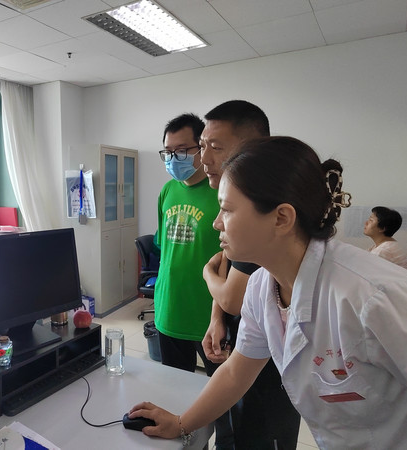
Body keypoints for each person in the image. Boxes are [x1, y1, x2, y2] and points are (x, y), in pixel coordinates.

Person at [130, 136, 407, 449]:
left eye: (226, 210)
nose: (216, 223)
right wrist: (181, 423)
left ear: (281, 218)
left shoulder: (376, 297)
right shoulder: (261, 287)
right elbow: (237, 372)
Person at [200, 100, 300, 449]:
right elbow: (229, 272)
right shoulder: (259, 282)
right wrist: (217, 318)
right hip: (246, 347)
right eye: (202, 146)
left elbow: (231, 293)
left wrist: (206, 273)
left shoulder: (361, 296)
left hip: (271, 375)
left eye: (216, 147)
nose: (204, 158)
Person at [153, 113, 232, 448]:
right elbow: (165, 250)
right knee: (175, 396)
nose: (174, 158)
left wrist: (221, 314)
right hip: (169, 310)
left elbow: (232, 260)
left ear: (201, 148)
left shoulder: (223, 192)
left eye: (183, 150)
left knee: (222, 403)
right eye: (168, 152)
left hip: (210, 317)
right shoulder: (167, 191)